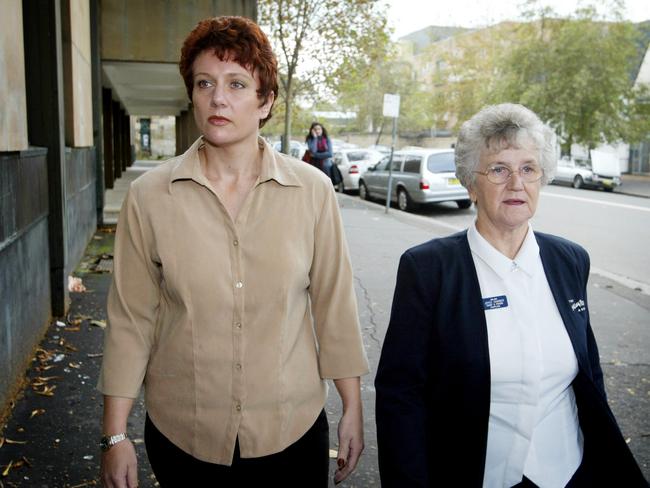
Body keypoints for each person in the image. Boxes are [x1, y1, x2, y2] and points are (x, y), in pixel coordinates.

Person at [98, 16, 369, 488]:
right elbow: (131, 319)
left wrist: (352, 408)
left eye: (237, 84)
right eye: (205, 83)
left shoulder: (312, 191)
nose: (218, 98)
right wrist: (114, 435)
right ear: (192, 95)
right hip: (185, 436)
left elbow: (334, 307)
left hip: (291, 432)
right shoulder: (149, 197)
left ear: (266, 102)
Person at [375, 103, 648, 487]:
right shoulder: (428, 270)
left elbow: (589, 369)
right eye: (499, 169)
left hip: (571, 471)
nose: (516, 183)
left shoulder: (570, 260)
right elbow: (400, 396)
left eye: (528, 169)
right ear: (471, 183)